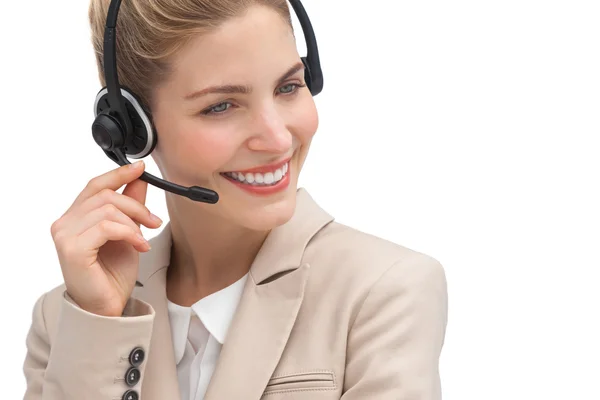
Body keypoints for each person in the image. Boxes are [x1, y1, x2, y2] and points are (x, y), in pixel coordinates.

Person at [22, 0, 448, 399]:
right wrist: (99, 329)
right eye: (222, 106)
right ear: (133, 128)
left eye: (289, 87)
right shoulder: (65, 319)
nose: (278, 138)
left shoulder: (383, 292)